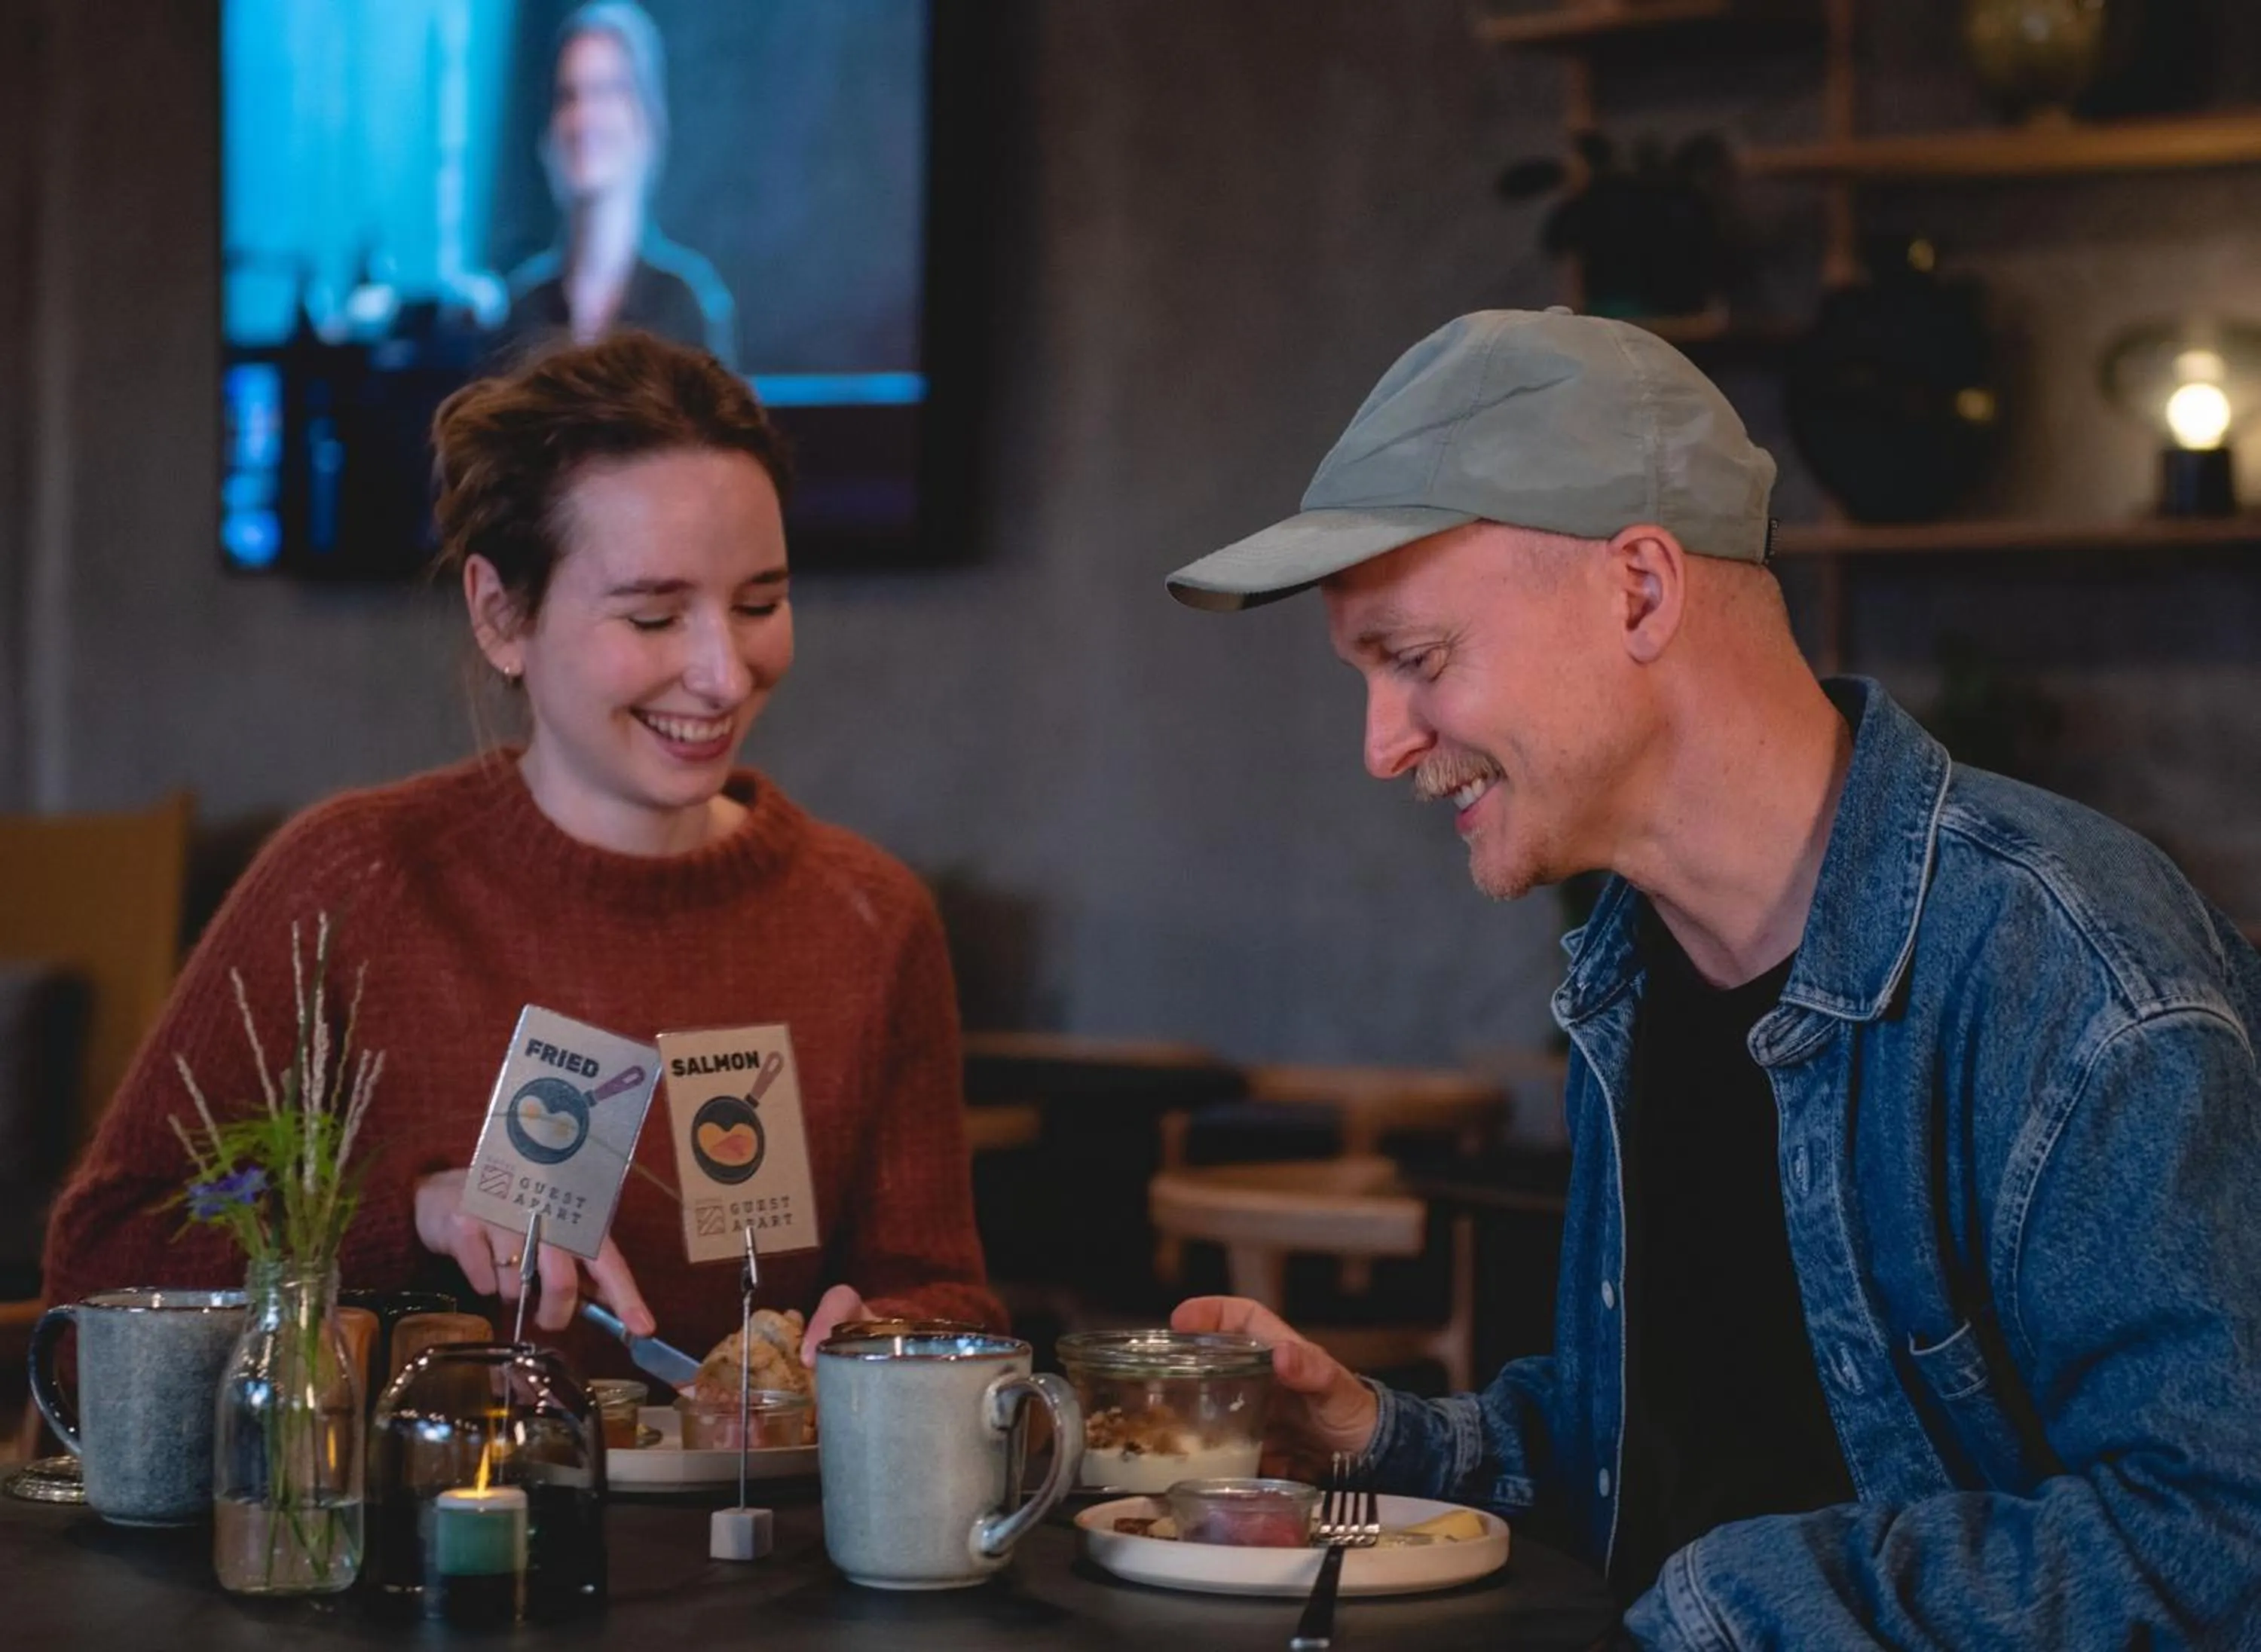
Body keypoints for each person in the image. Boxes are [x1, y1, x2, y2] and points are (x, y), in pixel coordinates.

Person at [1162, 308, 2261, 1645]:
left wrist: (1716, 1606)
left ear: (1640, 588)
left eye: (1417, 660)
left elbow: (2215, 1540)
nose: (1382, 746)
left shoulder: (2076, 977)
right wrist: (1383, 1440)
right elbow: (1667, 1455)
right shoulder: (1632, 972)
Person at [44, 330, 1000, 1375]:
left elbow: (945, 1292)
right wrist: (408, 1214)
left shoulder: (868, 917)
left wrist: (881, 1342)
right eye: (654, 615)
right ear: (502, 614)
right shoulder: (352, 882)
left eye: (760, 604)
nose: (725, 674)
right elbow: (100, 1265)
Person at [499, 2, 739, 369]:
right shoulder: (525, 308)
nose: (583, 117)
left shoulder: (683, 304)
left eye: (606, 91)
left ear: (647, 116)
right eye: (568, 95)